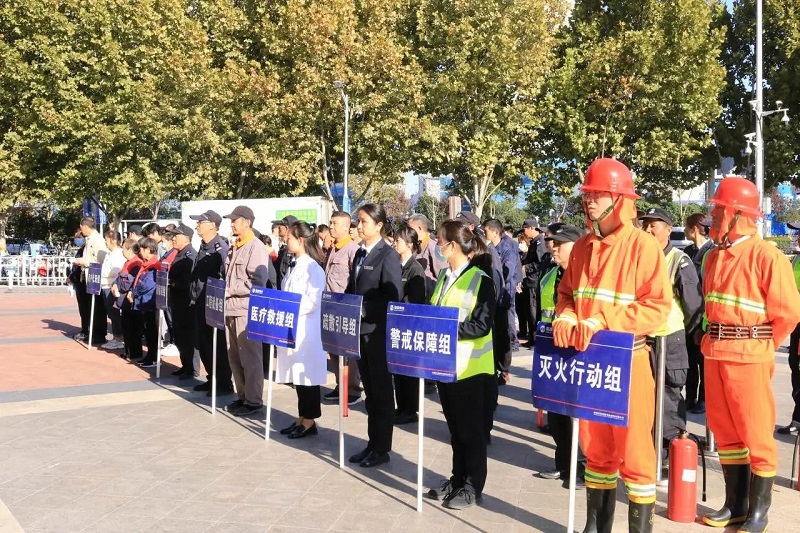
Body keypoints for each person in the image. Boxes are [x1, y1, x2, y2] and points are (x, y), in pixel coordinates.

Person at [553, 158, 672, 532]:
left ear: (620, 200)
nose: (589, 201)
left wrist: (604, 320)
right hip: (589, 364)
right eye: (588, 194)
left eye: (598, 194)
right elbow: (566, 294)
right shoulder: (583, 246)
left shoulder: (643, 247)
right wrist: (565, 316)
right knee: (596, 450)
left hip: (629, 362)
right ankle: (596, 526)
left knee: (636, 455)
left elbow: (657, 308)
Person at [700, 177, 800, 531]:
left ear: (737, 214)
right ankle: (735, 505)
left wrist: (761, 345)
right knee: (724, 429)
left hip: (749, 353)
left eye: (719, 210)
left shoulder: (767, 256)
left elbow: (787, 314)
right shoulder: (714, 256)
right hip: (715, 351)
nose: (713, 216)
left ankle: (759, 513)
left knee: (756, 432)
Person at [424, 220, 496, 510]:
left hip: (471, 369)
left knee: (471, 432)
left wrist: (445, 329)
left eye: (440, 241)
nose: (437, 245)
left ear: (452, 246)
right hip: (446, 365)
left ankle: (472, 485)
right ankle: (457, 479)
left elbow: (481, 325)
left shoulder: (481, 280)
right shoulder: (445, 276)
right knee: (455, 430)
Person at [639, 207, 703, 453]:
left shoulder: (678, 260)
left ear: (668, 229)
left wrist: (690, 335)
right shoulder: (639, 257)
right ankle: (648, 447)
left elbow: (693, 305)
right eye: (644, 225)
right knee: (645, 394)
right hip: (643, 339)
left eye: (653, 225)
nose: (647, 230)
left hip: (669, 338)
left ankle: (668, 450)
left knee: (668, 396)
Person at [347, 203, 404, 468]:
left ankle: (382, 448)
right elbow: (353, 289)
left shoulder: (387, 255)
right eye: (358, 221)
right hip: (360, 333)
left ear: (379, 225)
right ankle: (372, 443)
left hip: (378, 333)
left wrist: (363, 310)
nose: (359, 226)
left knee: (381, 392)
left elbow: (393, 296)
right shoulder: (359, 254)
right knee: (370, 391)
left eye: (364, 222)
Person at [533, 225, 586, 488]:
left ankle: (582, 468)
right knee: (556, 414)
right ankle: (563, 464)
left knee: (578, 415)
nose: (553, 248)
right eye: (553, 243)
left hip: (578, 353)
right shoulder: (551, 274)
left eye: (560, 244)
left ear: (576, 247)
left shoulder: (586, 277)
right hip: (552, 350)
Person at [276, 221, 327, 439]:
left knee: (307, 376)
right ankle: (302, 417)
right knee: (297, 375)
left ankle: (309, 421)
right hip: (293, 328)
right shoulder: (295, 265)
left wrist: (290, 307)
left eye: (289, 238)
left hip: (307, 330)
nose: (285, 241)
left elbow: (314, 301)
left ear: (301, 240)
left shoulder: (313, 269)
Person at [224, 206, 271, 416]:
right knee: (234, 357)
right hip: (230, 309)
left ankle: (254, 400)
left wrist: (230, 290)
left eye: (235, 220)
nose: (232, 224)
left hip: (246, 310)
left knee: (250, 357)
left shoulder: (256, 247)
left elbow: (257, 282)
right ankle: (242, 396)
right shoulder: (235, 246)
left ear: (247, 222)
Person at [189, 210, 234, 397]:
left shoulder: (220, 249)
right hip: (199, 302)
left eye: (201, 222)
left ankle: (224, 383)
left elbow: (225, 277)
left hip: (213, 305)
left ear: (212, 226)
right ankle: (212, 378)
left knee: (217, 345)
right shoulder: (203, 246)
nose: (197, 225)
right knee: (204, 344)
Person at [324, 211, 362, 405]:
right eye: (330, 223)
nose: (331, 227)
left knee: (347, 352)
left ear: (347, 227)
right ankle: (341, 385)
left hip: (345, 308)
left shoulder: (353, 250)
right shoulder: (333, 249)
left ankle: (353, 389)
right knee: (334, 350)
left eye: (335, 223)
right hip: (330, 307)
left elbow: (355, 281)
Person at [391, 225, 428, 425]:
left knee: (408, 371)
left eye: (398, 240)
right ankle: (402, 407)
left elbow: (415, 301)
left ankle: (410, 409)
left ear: (409, 244)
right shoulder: (395, 264)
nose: (394, 243)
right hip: (395, 325)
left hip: (409, 326)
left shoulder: (415, 269)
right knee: (397, 370)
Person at [683, 213, 715, 414]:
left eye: (686, 226)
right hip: (689, 314)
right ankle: (690, 397)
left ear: (694, 228)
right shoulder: (687, 251)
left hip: (703, 316)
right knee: (689, 361)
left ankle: (703, 399)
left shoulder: (711, 252)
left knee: (704, 362)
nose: (685, 230)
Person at [483, 218, 520, 383]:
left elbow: (506, 273)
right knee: (493, 334)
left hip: (503, 297)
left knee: (503, 333)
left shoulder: (507, 250)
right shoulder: (488, 248)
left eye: (486, 231)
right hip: (491, 297)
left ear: (495, 232)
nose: (485, 233)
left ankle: (504, 369)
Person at [778, 221, 800, 436]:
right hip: (796, 324)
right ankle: (797, 417)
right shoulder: (796, 259)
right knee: (796, 369)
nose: (797, 237)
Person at [167, 223, 197, 379]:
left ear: (186, 238)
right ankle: (185, 365)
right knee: (179, 335)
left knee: (187, 336)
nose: (173, 239)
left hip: (185, 302)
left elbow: (188, 282)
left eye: (176, 236)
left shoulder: (190, 255)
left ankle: (191, 368)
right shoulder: (179, 254)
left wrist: (171, 283)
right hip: (177, 301)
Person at [73, 216, 108, 345]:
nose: (81, 231)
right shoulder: (89, 239)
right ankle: (92, 331)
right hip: (88, 277)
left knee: (97, 308)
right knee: (89, 307)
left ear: (86, 227)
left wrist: (84, 262)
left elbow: (101, 259)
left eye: (81, 228)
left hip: (95, 277)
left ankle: (99, 334)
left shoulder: (97, 239)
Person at [129, 237, 162, 368]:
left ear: (148, 249)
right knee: (148, 331)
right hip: (144, 301)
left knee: (151, 331)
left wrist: (134, 292)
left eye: (141, 249)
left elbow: (147, 284)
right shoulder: (147, 263)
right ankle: (150, 355)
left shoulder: (153, 265)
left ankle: (153, 357)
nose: (140, 252)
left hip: (149, 302)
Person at [112, 239, 143, 360]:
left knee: (133, 327)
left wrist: (119, 285)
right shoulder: (127, 262)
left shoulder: (136, 263)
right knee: (126, 326)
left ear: (130, 249)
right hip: (123, 300)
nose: (122, 251)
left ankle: (134, 352)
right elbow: (119, 277)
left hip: (130, 300)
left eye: (124, 248)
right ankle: (128, 350)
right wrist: (115, 284)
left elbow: (129, 282)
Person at [520, 219, 549, 348]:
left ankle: (536, 340)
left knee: (534, 313)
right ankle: (531, 338)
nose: (524, 232)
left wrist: (527, 268)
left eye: (525, 229)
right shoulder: (533, 242)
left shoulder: (540, 242)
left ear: (531, 228)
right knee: (528, 312)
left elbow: (540, 263)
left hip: (534, 281)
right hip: (529, 281)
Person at [100, 230, 126, 350]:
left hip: (112, 286)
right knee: (111, 313)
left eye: (107, 240)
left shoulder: (118, 254)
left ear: (114, 240)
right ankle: (117, 336)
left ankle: (119, 338)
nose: (106, 242)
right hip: (106, 285)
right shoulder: (109, 253)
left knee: (114, 313)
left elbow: (116, 270)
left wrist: (105, 274)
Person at [407, 213, 447, 287]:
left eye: (410, 228)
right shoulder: (415, 246)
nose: (407, 232)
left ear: (419, 228)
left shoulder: (434, 247)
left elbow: (443, 276)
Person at [271, 215, 298, 289]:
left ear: (287, 228)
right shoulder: (284, 249)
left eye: (281, 225)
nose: (279, 228)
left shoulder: (292, 251)